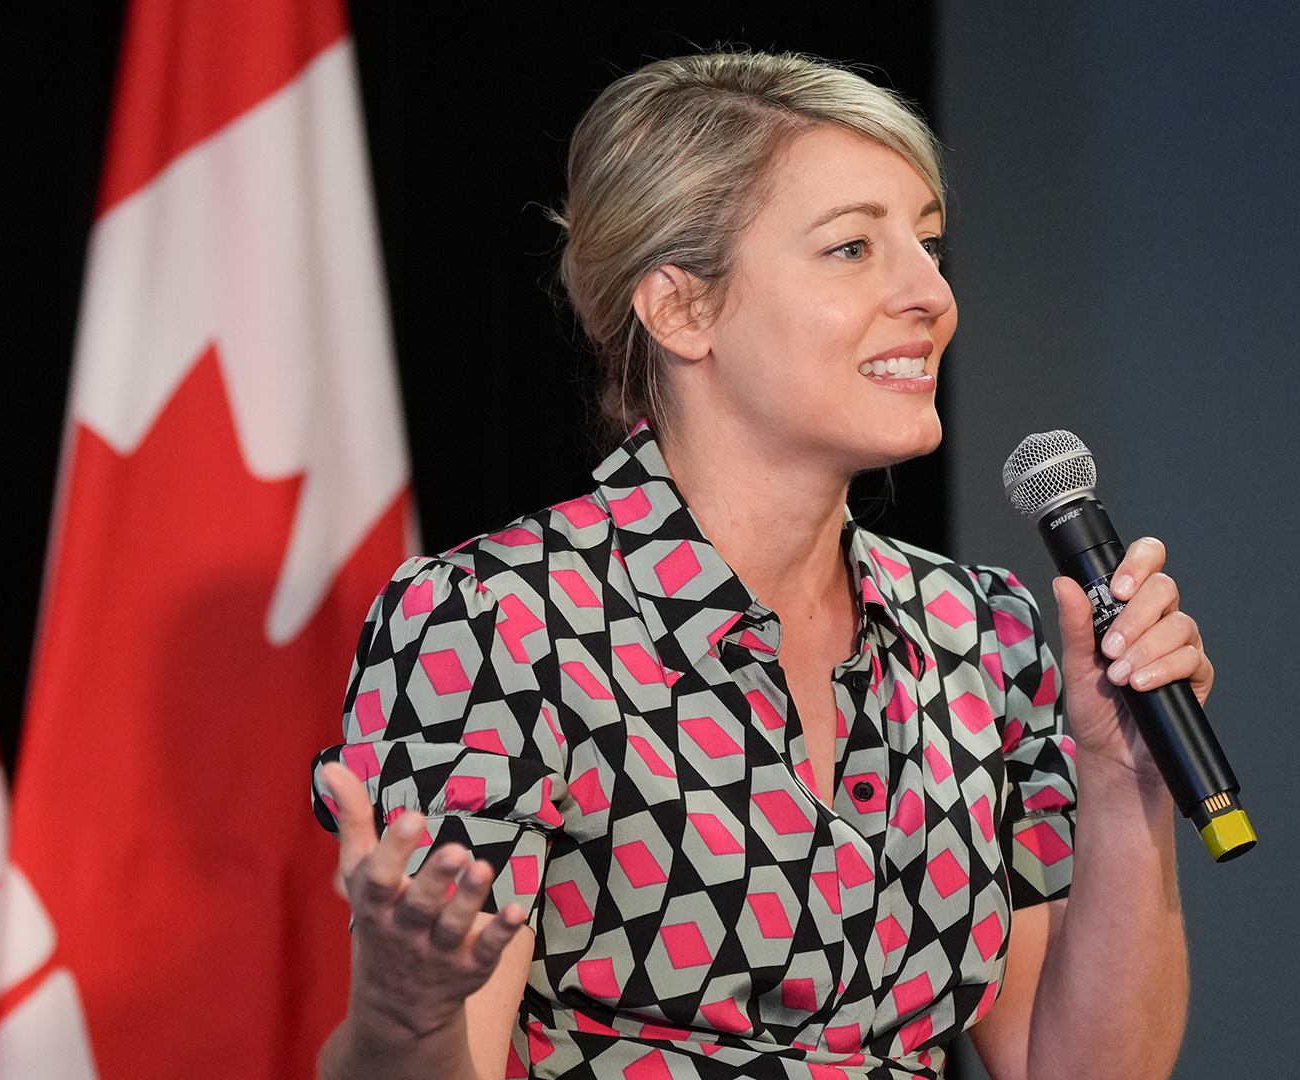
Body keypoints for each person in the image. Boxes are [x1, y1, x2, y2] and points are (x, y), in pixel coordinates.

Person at [310, 52, 1202, 1080]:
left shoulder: (980, 633)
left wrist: (1120, 778)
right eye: (853, 248)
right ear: (681, 308)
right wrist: (404, 1016)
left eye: (928, 242)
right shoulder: (499, 623)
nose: (930, 293)